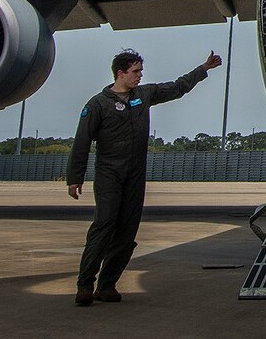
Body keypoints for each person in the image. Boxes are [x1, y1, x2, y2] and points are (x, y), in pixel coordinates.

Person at [65, 47, 221, 305]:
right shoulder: (97, 104)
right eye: (135, 71)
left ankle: (107, 285)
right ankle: (84, 285)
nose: (140, 76)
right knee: (104, 226)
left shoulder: (144, 95)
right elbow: (81, 143)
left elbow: (177, 87)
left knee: (127, 233)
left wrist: (203, 69)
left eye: (141, 71)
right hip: (109, 174)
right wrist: (75, 178)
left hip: (135, 174)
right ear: (120, 73)